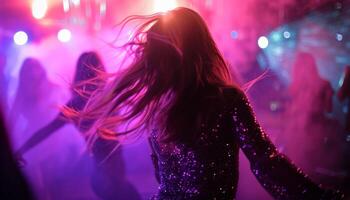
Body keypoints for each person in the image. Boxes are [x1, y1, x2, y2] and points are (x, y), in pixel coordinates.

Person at [79, 8, 343, 199]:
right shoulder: (225, 100)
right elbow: (266, 163)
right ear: (204, 46)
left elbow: (162, 177)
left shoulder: (159, 104)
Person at [16, 52, 140, 200]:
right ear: (99, 69)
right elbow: (46, 130)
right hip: (106, 160)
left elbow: (46, 131)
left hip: (105, 161)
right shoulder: (100, 96)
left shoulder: (78, 104)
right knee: (118, 192)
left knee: (116, 191)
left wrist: (21, 150)